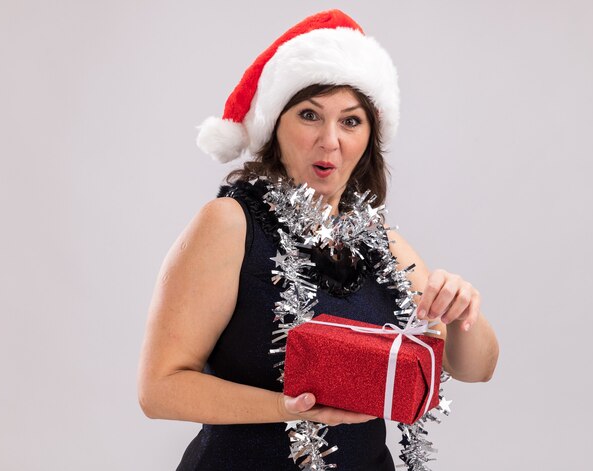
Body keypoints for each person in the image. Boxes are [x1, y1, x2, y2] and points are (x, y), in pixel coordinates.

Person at [137, 9, 499, 470]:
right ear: (275, 126)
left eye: (350, 121)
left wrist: (465, 310)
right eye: (310, 115)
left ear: (370, 136)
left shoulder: (383, 244)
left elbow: (476, 368)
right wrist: (286, 407)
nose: (330, 141)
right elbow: (159, 389)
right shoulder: (230, 223)